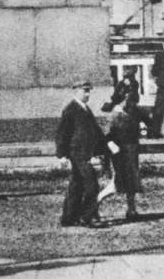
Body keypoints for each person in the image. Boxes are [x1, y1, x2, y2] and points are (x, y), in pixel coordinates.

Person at [55, 79, 108, 229]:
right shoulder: (71, 109)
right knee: (92, 186)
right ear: (75, 91)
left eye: (88, 90)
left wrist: (103, 147)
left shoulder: (85, 108)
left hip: (85, 152)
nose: (87, 94)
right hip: (78, 153)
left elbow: (94, 132)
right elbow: (62, 133)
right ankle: (86, 217)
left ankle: (68, 218)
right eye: (84, 90)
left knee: (76, 185)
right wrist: (62, 155)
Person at [97, 99, 143, 221]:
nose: (132, 102)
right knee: (115, 185)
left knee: (132, 183)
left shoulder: (131, 112)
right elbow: (109, 137)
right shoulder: (115, 115)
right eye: (128, 99)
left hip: (131, 152)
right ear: (121, 100)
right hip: (121, 154)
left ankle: (131, 210)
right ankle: (92, 206)